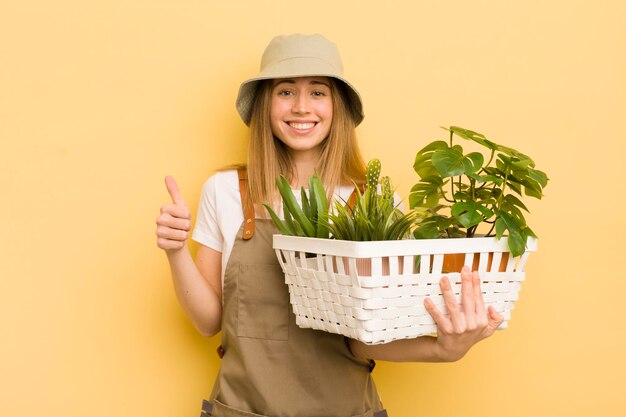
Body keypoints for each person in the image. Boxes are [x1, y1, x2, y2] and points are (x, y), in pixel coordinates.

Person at [155, 33, 504, 417]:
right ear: (265, 105)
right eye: (285, 91)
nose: (302, 107)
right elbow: (209, 323)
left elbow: (365, 341)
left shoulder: (372, 203)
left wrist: (444, 349)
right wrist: (175, 251)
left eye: (317, 92)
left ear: (336, 106)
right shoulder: (226, 191)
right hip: (241, 409)